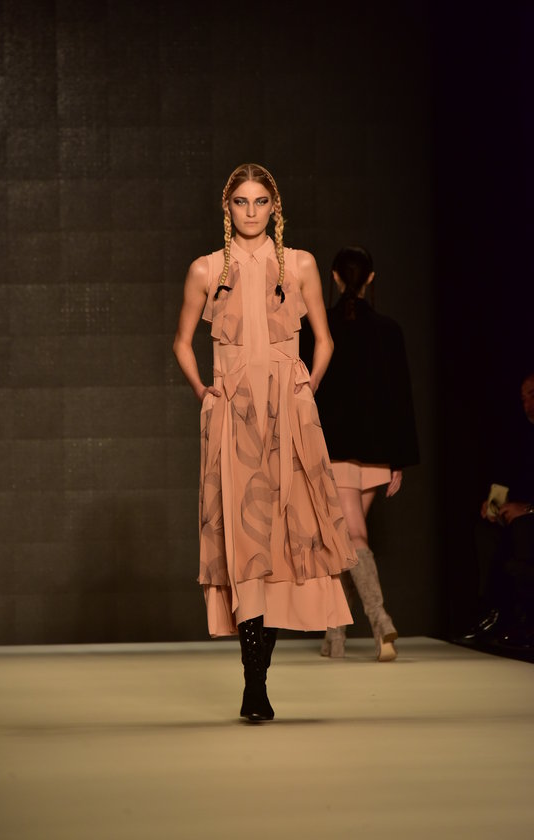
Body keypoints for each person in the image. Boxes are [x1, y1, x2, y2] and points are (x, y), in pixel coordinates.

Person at [172, 163, 357, 722]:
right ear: (227, 208)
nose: (250, 211)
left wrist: (306, 388)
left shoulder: (298, 264)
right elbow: (181, 342)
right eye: (241, 202)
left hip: (290, 416)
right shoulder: (206, 269)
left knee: (281, 541)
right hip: (233, 418)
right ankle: (254, 683)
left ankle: (258, 680)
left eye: (260, 202)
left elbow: (324, 340)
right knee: (244, 541)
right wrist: (204, 390)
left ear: (274, 208)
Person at [299, 246, 420, 662]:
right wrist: (398, 460)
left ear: (334, 278)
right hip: (376, 452)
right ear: (370, 278)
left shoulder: (315, 330)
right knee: (345, 539)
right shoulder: (389, 330)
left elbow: (305, 394)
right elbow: (401, 400)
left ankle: (379, 621)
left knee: (349, 538)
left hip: (335, 450)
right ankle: (335, 633)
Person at [453, 370, 534, 660]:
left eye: (532, 395)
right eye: (523, 398)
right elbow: (509, 479)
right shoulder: (522, 438)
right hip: (520, 514)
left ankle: (526, 621)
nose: (527, 404)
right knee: (486, 530)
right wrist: (495, 504)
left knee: (524, 529)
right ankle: (492, 611)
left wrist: (527, 509)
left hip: (529, 517)